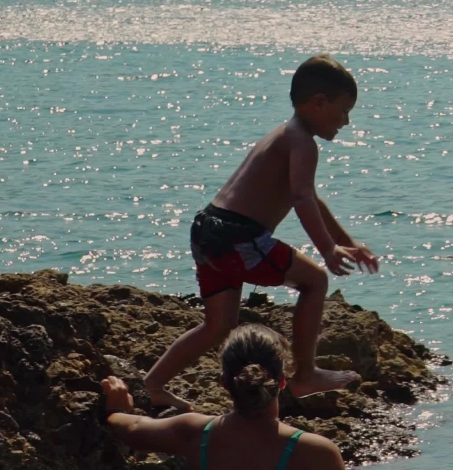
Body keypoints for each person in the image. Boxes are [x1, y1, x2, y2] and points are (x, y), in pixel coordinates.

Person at [144, 54, 380, 412]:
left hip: (208, 229)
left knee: (218, 325)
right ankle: (305, 374)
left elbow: (310, 197)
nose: (347, 121)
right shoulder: (301, 142)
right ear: (319, 104)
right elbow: (301, 198)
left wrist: (347, 243)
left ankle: (154, 384)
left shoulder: (284, 135)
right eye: (344, 110)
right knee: (315, 282)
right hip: (239, 236)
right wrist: (328, 250)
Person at [103, 324, 346, 470]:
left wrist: (117, 409)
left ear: (224, 383)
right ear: (282, 381)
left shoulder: (195, 432)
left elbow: (133, 429)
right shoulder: (316, 452)